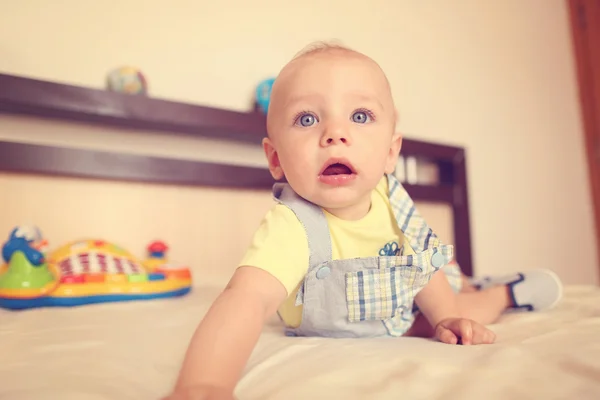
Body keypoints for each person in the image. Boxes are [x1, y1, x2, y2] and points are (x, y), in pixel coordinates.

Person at [163, 42, 563, 400]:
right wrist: (204, 385)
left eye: (360, 115)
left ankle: (506, 293)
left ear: (391, 153)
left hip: (405, 306)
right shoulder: (292, 227)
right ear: (276, 159)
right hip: (378, 319)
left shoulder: (394, 204)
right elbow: (245, 300)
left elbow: (421, 265)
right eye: (306, 119)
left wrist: (445, 316)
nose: (335, 133)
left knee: (461, 319)